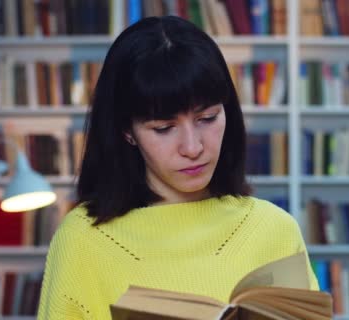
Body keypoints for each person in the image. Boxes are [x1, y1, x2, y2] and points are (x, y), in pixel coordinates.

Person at [37, 16, 319, 319]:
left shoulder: (273, 230)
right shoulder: (83, 240)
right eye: (163, 128)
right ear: (127, 131)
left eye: (208, 118)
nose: (193, 147)